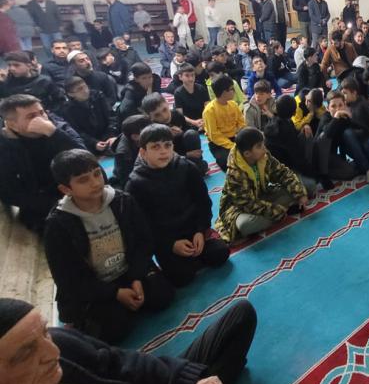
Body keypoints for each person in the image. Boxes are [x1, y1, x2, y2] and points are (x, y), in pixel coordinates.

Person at [0, 293, 257, 384]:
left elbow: (121, 362)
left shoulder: (61, 345)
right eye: (26, 352)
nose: (53, 352)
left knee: (241, 315)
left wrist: (188, 382)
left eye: (45, 333)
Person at [44, 149, 175, 343]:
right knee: (113, 329)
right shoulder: (58, 224)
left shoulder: (122, 201)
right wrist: (115, 293)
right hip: (95, 285)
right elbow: (68, 278)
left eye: (97, 173)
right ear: (66, 189)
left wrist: (136, 277)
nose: (95, 182)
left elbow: (144, 241)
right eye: (83, 180)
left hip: (128, 272)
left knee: (163, 296)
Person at [126, 124, 230, 286]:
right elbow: (142, 225)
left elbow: (203, 202)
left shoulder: (186, 167)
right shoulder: (136, 184)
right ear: (143, 152)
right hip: (167, 240)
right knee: (181, 277)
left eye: (167, 145)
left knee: (221, 253)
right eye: (155, 147)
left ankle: (195, 254)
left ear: (173, 147)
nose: (163, 151)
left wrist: (200, 230)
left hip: (193, 232)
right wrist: (170, 245)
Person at [0, 93, 86, 233]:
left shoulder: (56, 126)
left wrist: (53, 133)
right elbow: (9, 193)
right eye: (31, 116)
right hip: (44, 206)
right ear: (12, 125)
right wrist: (59, 205)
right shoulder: (5, 145)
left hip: (78, 189)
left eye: (42, 112)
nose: (41, 119)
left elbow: (85, 158)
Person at [215, 127, 308, 242]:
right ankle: (283, 209)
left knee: (301, 188)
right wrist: (276, 212)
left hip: (262, 195)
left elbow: (283, 173)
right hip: (239, 208)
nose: (264, 148)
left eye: (263, 143)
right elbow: (247, 204)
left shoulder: (263, 155)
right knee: (245, 225)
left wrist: (299, 193)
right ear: (247, 153)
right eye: (259, 146)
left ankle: (279, 210)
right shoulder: (235, 173)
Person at [142, 93, 208, 175]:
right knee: (199, 168)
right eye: (157, 115)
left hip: (183, 150)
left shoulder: (176, 114)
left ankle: (196, 163)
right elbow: (159, 156)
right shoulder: (152, 130)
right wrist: (186, 155)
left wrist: (182, 132)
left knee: (191, 133)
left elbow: (188, 130)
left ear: (167, 104)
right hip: (170, 159)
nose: (164, 116)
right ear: (150, 117)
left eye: (164, 110)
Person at [339, 77, 369, 179]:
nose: (343, 96)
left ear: (354, 93)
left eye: (345, 93)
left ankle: (363, 166)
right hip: (353, 145)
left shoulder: (364, 104)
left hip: (366, 141)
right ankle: (368, 168)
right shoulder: (344, 107)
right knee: (346, 133)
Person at [59, 77, 118, 154]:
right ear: (71, 94)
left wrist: (110, 135)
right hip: (90, 143)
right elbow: (77, 131)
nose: (85, 91)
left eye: (85, 86)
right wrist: (94, 143)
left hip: (110, 135)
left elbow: (112, 116)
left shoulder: (98, 96)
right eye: (79, 89)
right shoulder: (67, 110)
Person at [203, 74, 246, 172]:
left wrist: (241, 135)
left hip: (235, 137)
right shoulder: (209, 110)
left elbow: (242, 123)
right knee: (228, 163)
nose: (234, 91)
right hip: (218, 144)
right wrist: (232, 146)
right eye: (231, 89)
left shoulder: (233, 104)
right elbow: (214, 135)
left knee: (253, 150)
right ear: (223, 92)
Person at [0, 51, 65, 111]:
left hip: (43, 114)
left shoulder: (44, 81)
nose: (12, 68)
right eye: (9, 65)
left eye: (16, 65)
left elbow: (60, 100)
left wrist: (50, 112)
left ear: (29, 66)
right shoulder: (6, 83)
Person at [110, 114, 151, 189]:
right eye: (147, 132)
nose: (152, 132)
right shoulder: (124, 154)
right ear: (135, 136)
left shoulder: (133, 135)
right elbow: (127, 181)